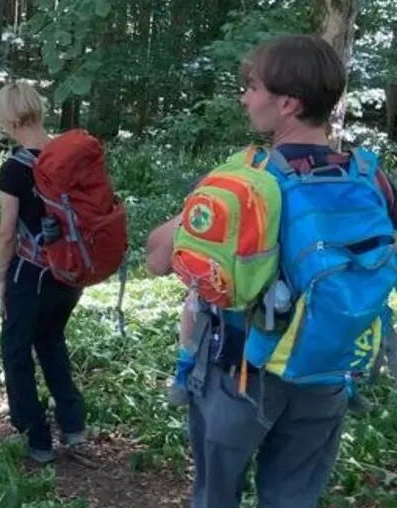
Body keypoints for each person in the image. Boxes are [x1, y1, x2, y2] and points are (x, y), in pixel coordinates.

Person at [145, 34, 397, 508]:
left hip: (241, 375)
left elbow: (158, 256)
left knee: (215, 496)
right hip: (326, 374)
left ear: (287, 102)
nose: (244, 97)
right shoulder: (370, 176)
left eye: (252, 87)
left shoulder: (247, 177)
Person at [0, 80, 86, 464]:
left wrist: (1, 278)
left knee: (16, 351)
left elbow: (7, 231)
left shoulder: (14, 168)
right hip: (69, 272)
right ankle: (74, 424)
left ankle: (37, 438)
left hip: (30, 273)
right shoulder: (69, 156)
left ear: (9, 118)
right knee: (51, 341)